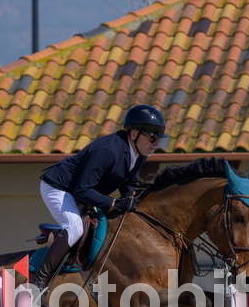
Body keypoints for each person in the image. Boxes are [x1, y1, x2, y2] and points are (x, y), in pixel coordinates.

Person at [32, 104, 166, 293]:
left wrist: (135, 200)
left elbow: (128, 186)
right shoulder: (108, 150)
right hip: (58, 188)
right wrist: (113, 203)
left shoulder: (138, 154)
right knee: (75, 227)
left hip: (81, 192)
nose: (155, 143)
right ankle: (39, 282)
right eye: (152, 137)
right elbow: (82, 190)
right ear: (134, 133)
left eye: (158, 138)